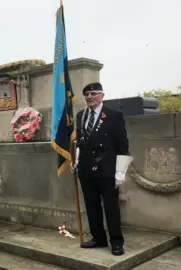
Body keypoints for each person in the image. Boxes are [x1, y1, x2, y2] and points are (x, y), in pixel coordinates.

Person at [73, 82, 130, 256]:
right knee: (91, 205)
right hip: (86, 169)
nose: (90, 97)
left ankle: (116, 242)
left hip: (107, 169)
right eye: (87, 95)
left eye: (94, 94)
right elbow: (80, 141)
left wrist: (121, 171)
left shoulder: (114, 115)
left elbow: (122, 145)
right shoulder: (81, 115)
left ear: (102, 95)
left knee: (111, 207)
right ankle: (98, 238)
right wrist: (76, 159)